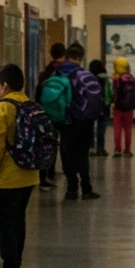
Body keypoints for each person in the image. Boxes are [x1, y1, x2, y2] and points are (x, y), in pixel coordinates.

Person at [0, 64, 40, 268]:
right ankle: (16, 263)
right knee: (18, 220)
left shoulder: (2, 108)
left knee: (4, 223)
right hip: (29, 174)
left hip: (7, 177)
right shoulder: (29, 104)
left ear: (4, 85)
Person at [48, 42, 101, 200]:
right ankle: (86, 188)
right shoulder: (86, 76)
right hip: (82, 122)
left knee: (67, 153)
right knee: (82, 155)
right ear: (80, 57)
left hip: (63, 121)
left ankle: (71, 189)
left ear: (67, 56)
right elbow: (94, 101)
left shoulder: (56, 74)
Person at [35, 42, 67, 189]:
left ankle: (47, 173)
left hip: (46, 113)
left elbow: (38, 92)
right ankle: (56, 172)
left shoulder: (46, 72)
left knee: (47, 144)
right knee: (62, 143)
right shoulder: (65, 71)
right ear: (64, 54)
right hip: (62, 113)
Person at [111, 57, 135, 157]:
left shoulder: (116, 79)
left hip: (118, 108)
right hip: (129, 108)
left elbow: (114, 93)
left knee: (117, 129)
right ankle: (127, 150)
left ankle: (118, 149)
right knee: (128, 129)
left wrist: (113, 103)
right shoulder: (131, 78)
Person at [89, 58, 113, 157]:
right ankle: (101, 148)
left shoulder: (90, 79)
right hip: (105, 107)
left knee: (92, 128)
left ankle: (92, 148)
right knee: (101, 129)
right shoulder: (107, 79)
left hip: (92, 106)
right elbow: (111, 93)